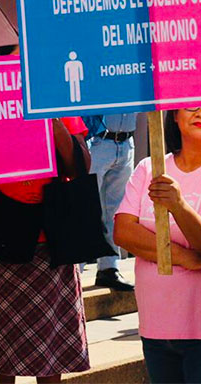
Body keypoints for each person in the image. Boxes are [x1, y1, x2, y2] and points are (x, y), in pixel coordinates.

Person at [114, 106, 201, 383]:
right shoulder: (148, 167)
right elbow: (123, 232)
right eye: (191, 106)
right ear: (175, 115)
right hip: (156, 324)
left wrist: (178, 205)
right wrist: (181, 257)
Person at [0, 117, 92, 383]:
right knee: (1, 345)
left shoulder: (54, 102)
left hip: (50, 237)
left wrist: (51, 118)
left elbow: (80, 167)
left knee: (52, 352)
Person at [81, 114, 137, 291]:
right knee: (86, 207)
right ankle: (77, 270)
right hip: (97, 140)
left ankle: (109, 267)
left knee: (117, 211)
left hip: (126, 141)